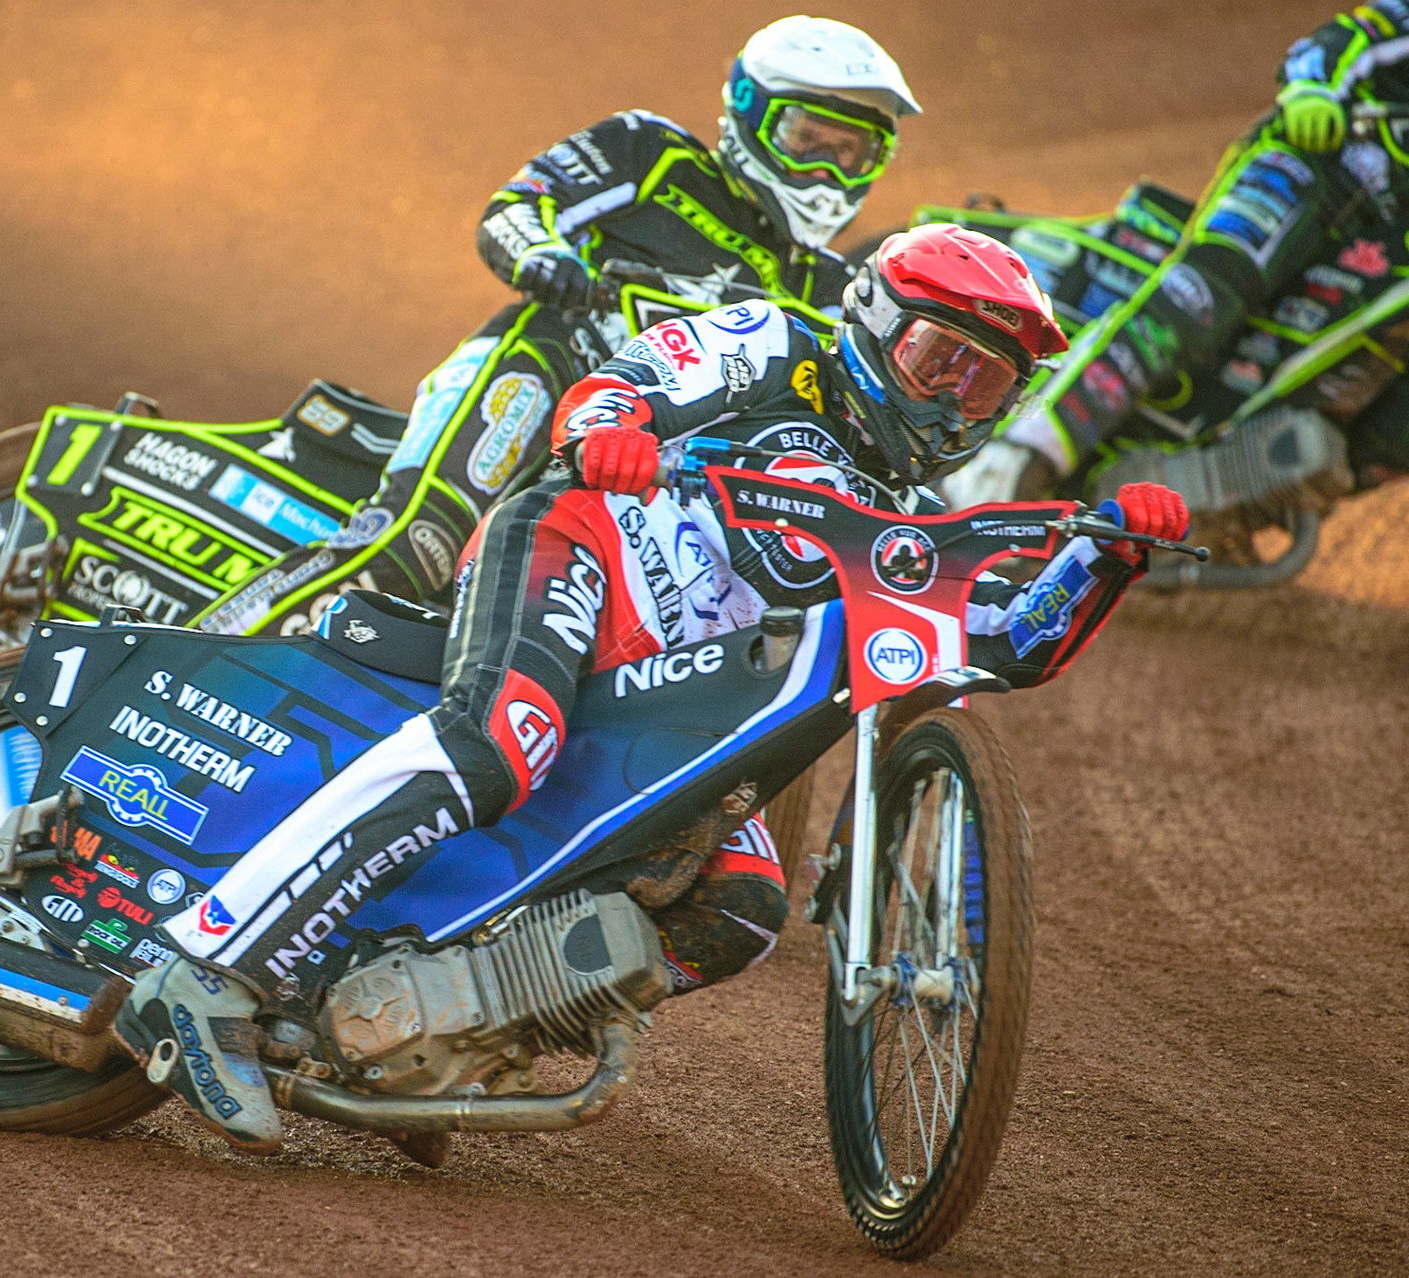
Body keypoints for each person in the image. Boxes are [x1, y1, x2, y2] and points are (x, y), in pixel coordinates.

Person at [115, 225, 1191, 1154]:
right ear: (870, 319)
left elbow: (1007, 644)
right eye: (937, 359)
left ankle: (440, 1039)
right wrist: (608, 436)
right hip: (579, 547)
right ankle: (207, 969)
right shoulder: (778, 341)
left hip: (669, 697)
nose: (955, 399)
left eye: (986, 382)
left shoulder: (918, 518)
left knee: (740, 906)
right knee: (500, 741)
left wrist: (1111, 558)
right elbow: (623, 381)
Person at [192, 16, 921, 636]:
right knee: (418, 543)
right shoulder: (654, 156)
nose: (826, 172)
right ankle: (191, 660)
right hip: (541, 374)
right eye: (808, 139)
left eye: (849, 152)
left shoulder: (832, 291)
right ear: (747, 112)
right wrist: (543, 256)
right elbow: (516, 207)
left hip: (655, 474)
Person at [944, 1, 1409, 506]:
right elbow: (1352, 36)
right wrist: (1316, 88)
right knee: (1203, 294)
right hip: (1317, 165)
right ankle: (1018, 456)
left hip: (1382, 247)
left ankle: (1230, 497)